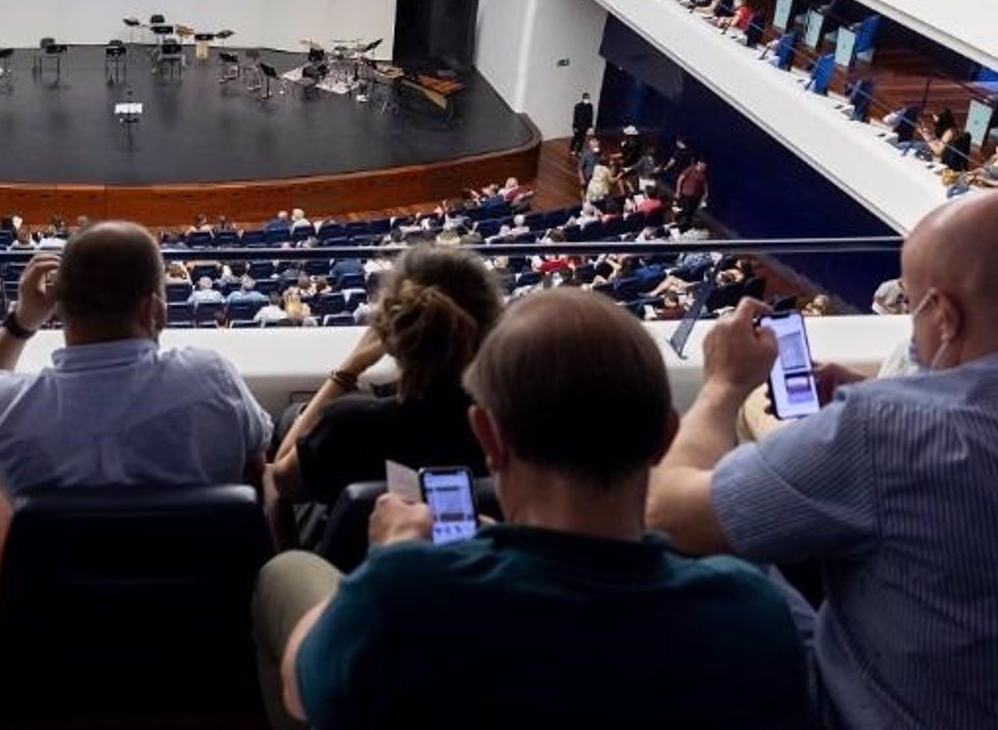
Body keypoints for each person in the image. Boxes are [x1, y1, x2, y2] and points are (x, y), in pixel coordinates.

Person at [646, 189, 998, 729]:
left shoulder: (888, 430)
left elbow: (666, 515)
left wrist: (724, 384)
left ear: (944, 315)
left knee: (731, 562)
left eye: (914, 302)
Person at [258, 289, 811, 730]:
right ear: (665, 436)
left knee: (288, 573)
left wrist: (394, 551)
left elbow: (300, 691)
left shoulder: (402, 592)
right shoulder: (750, 611)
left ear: (488, 438)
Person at [0, 222, 271, 495]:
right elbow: (257, 468)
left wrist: (22, 323)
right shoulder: (213, 377)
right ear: (150, 309)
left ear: (58, 309)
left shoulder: (5, 408)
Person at [265, 247, 503, 516]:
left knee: (292, 420)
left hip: (360, 555)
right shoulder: (514, 421)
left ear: (393, 327)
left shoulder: (347, 424)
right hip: (485, 553)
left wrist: (349, 369)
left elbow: (281, 480)